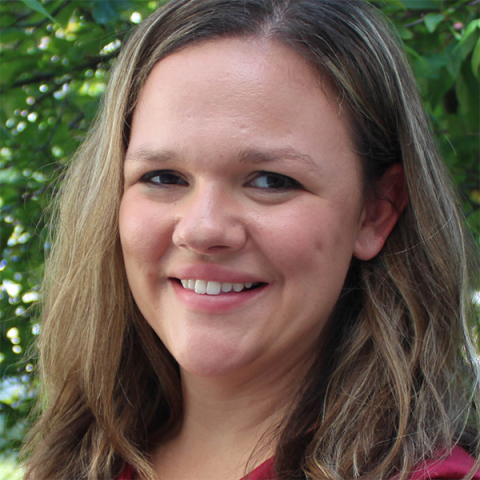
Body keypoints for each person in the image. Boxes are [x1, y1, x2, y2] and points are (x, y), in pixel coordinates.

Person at [22, 0, 480, 479]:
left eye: (270, 181)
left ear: (375, 212)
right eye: (162, 177)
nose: (201, 229)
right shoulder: (73, 464)